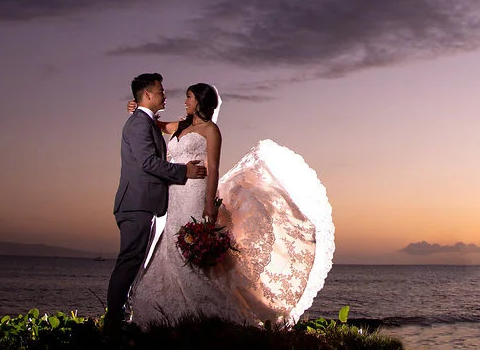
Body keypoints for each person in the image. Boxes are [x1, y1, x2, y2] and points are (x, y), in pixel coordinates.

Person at [127, 82, 334, 329]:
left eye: (189, 97)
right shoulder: (180, 125)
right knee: (170, 244)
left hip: (195, 191)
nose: (185, 102)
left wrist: (209, 204)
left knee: (189, 249)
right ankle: (169, 312)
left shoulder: (211, 130)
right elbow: (155, 124)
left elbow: (213, 168)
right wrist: (137, 109)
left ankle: (205, 312)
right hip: (175, 192)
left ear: (201, 101)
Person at [104, 73, 207, 335]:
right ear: (148, 95)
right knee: (129, 261)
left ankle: (120, 318)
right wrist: (184, 172)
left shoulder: (144, 121)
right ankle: (114, 323)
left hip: (144, 203)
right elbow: (148, 163)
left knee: (135, 261)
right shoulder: (139, 124)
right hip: (136, 203)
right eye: (161, 91)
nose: (165, 95)